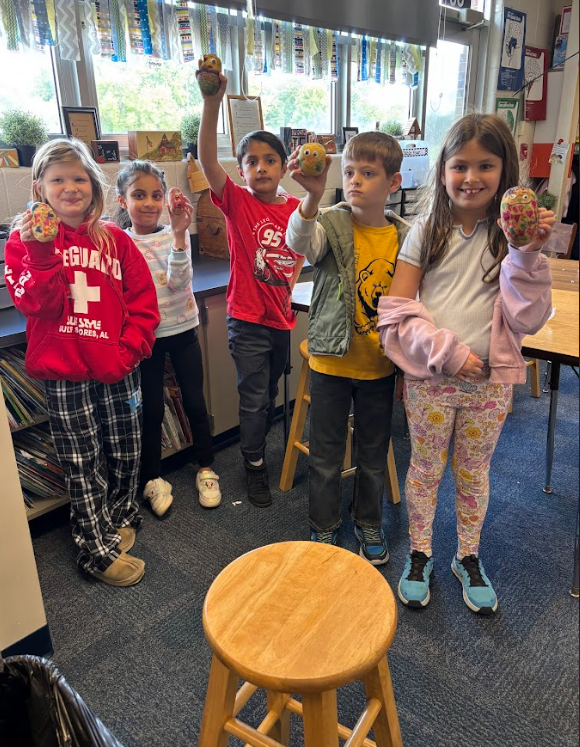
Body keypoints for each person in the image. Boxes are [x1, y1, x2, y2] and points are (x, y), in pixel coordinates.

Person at [377, 114, 554, 614]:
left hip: (491, 384)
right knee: (426, 469)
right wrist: (449, 353)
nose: (471, 177)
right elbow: (394, 313)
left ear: (506, 171)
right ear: (443, 170)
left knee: (474, 473)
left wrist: (526, 255)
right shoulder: (424, 233)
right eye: (460, 165)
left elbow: (529, 318)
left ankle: (468, 556)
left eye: (486, 165)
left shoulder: (510, 239)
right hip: (433, 380)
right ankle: (420, 552)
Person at [4, 139, 160, 587]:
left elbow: (143, 304)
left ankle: (121, 514)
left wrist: (127, 351)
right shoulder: (23, 241)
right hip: (65, 373)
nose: (69, 188)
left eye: (78, 179)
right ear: (40, 188)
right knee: (82, 459)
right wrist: (42, 250)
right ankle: (94, 548)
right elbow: (41, 305)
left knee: (127, 449)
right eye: (58, 180)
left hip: (117, 367)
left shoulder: (114, 239)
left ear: (93, 186)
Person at [286, 131, 410, 565]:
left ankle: (368, 520)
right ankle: (323, 525)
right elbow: (300, 243)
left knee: (374, 454)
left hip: (379, 365)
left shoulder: (404, 237)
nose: (355, 180)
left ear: (393, 183)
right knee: (325, 454)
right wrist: (313, 197)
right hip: (331, 362)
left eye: (368, 173)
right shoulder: (332, 222)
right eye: (351, 172)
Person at [198, 72, 304, 508]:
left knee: (275, 391)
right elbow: (206, 161)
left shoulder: (299, 208)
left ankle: (264, 453)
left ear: (283, 167)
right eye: (251, 161)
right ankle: (254, 465)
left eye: (270, 160)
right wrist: (211, 103)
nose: (260, 167)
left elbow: (311, 244)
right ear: (241, 170)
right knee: (254, 399)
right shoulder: (238, 201)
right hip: (246, 320)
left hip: (283, 318)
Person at [115, 160, 221, 516]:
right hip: (144, 339)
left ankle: (206, 467)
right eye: (138, 195)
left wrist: (179, 234)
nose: (148, 202)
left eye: (155, 195)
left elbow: (179, 282)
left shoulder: (173, 234)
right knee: (150, 410)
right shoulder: (119, 242)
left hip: (183, 329)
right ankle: (152, 478)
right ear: (122, 201)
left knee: (194, 401)